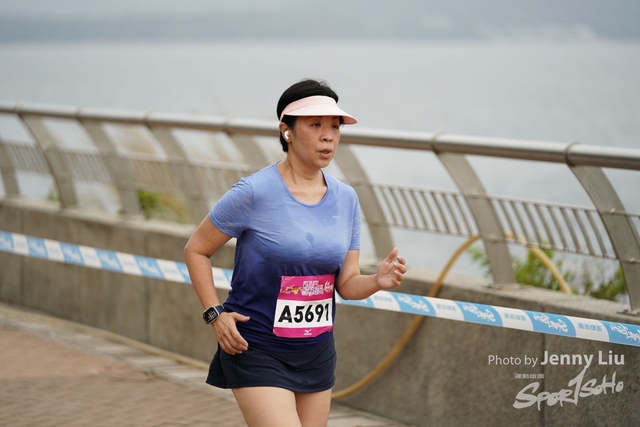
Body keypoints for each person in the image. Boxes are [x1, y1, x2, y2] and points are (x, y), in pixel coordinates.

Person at [184, 78, 406, 427]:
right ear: (286, 131)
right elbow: (196, 249)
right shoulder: (254, 192)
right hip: (256, 347)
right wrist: (215, 314)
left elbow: (346, 284)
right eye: (315, 125)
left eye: (334, 127)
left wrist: (377, 281)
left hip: (316, 351)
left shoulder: (346, 198)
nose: (328, 136)